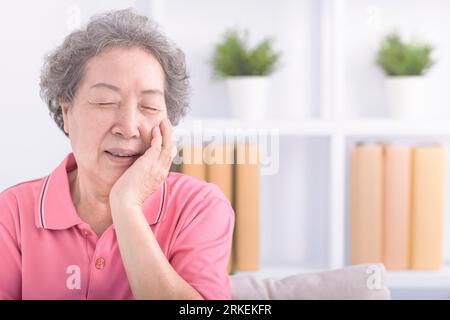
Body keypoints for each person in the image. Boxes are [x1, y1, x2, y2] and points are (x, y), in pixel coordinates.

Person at [0, 8, 234, 300]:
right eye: (105, 101)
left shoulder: (198, 206)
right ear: (67, 112)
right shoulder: (13, 212)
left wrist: (126, 206)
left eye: (149, 107)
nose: (128, 127)